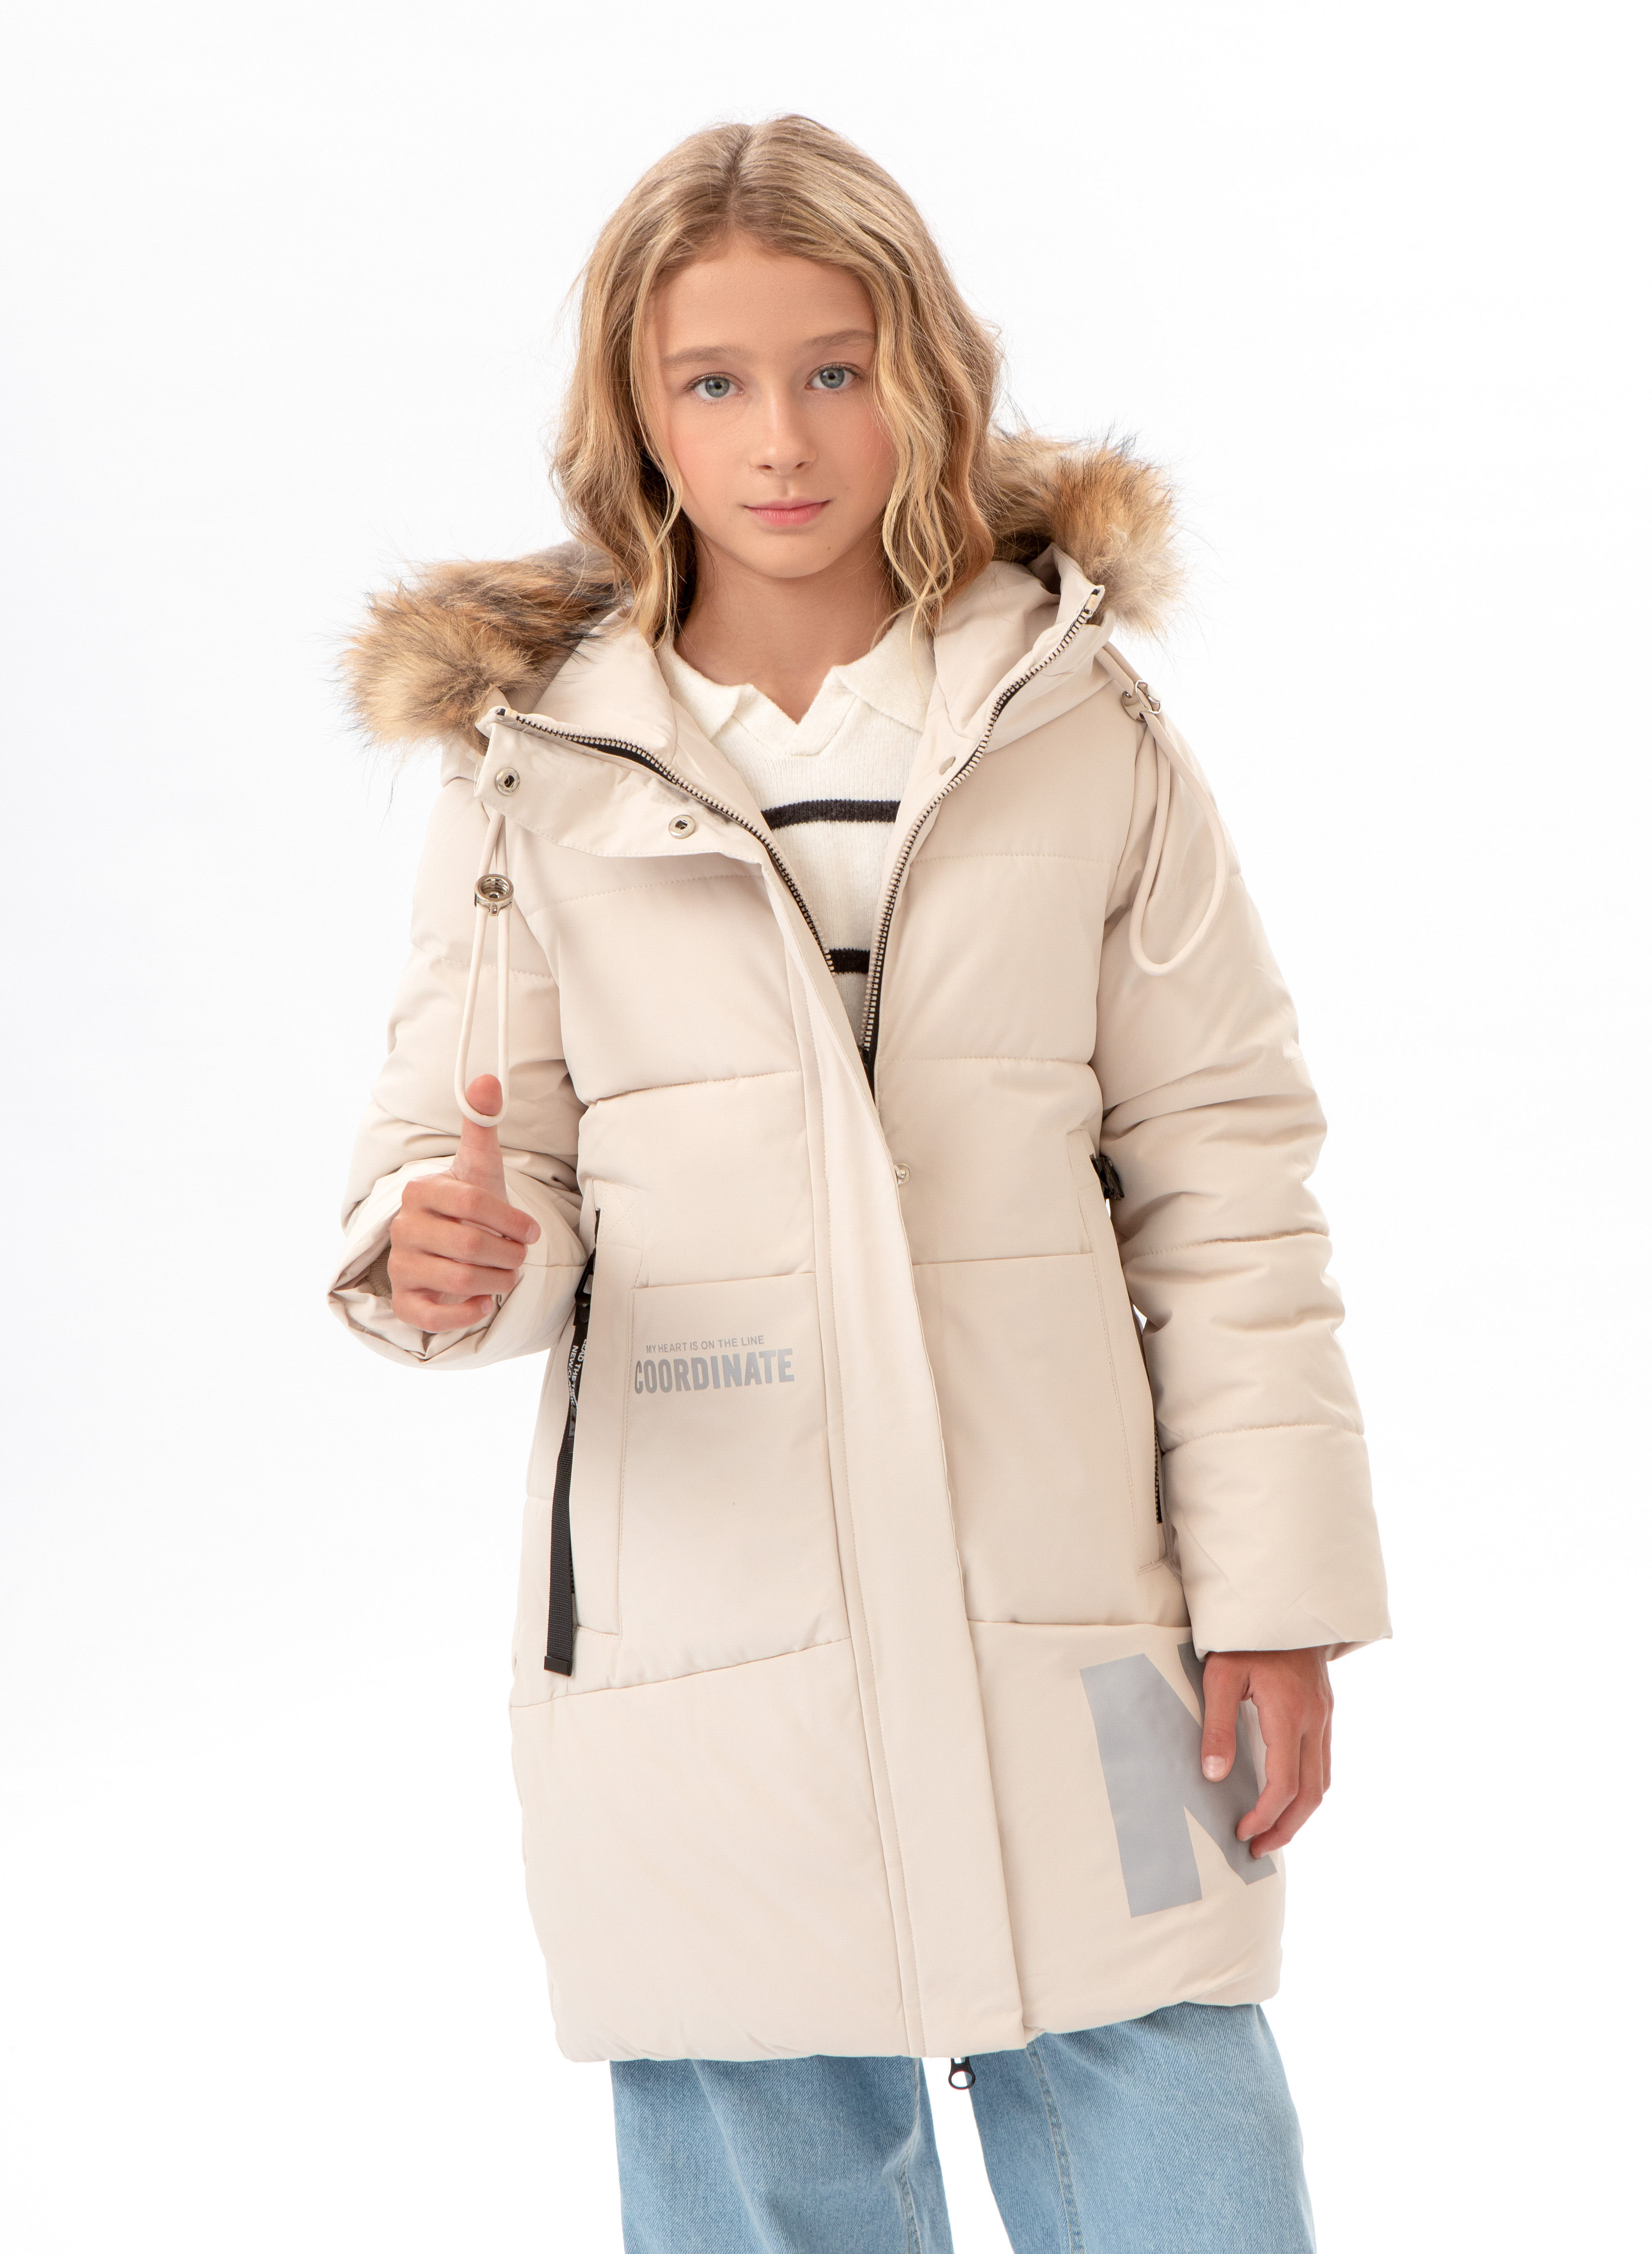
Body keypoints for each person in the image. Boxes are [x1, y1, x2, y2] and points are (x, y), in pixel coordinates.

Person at [330, 114, 1389, 2254]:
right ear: (636, 412)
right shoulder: (538, 765)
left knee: (1178, 2129)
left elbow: (1224, 1179)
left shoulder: (1077, 720)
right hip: (700, 1632)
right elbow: (467, 1152)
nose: (783, 436)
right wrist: (437, 1255)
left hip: (1078, 1599)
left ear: (928, 373)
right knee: (759, 2151)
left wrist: (1275, 1592)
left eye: (836, 368)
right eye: (714, 380)